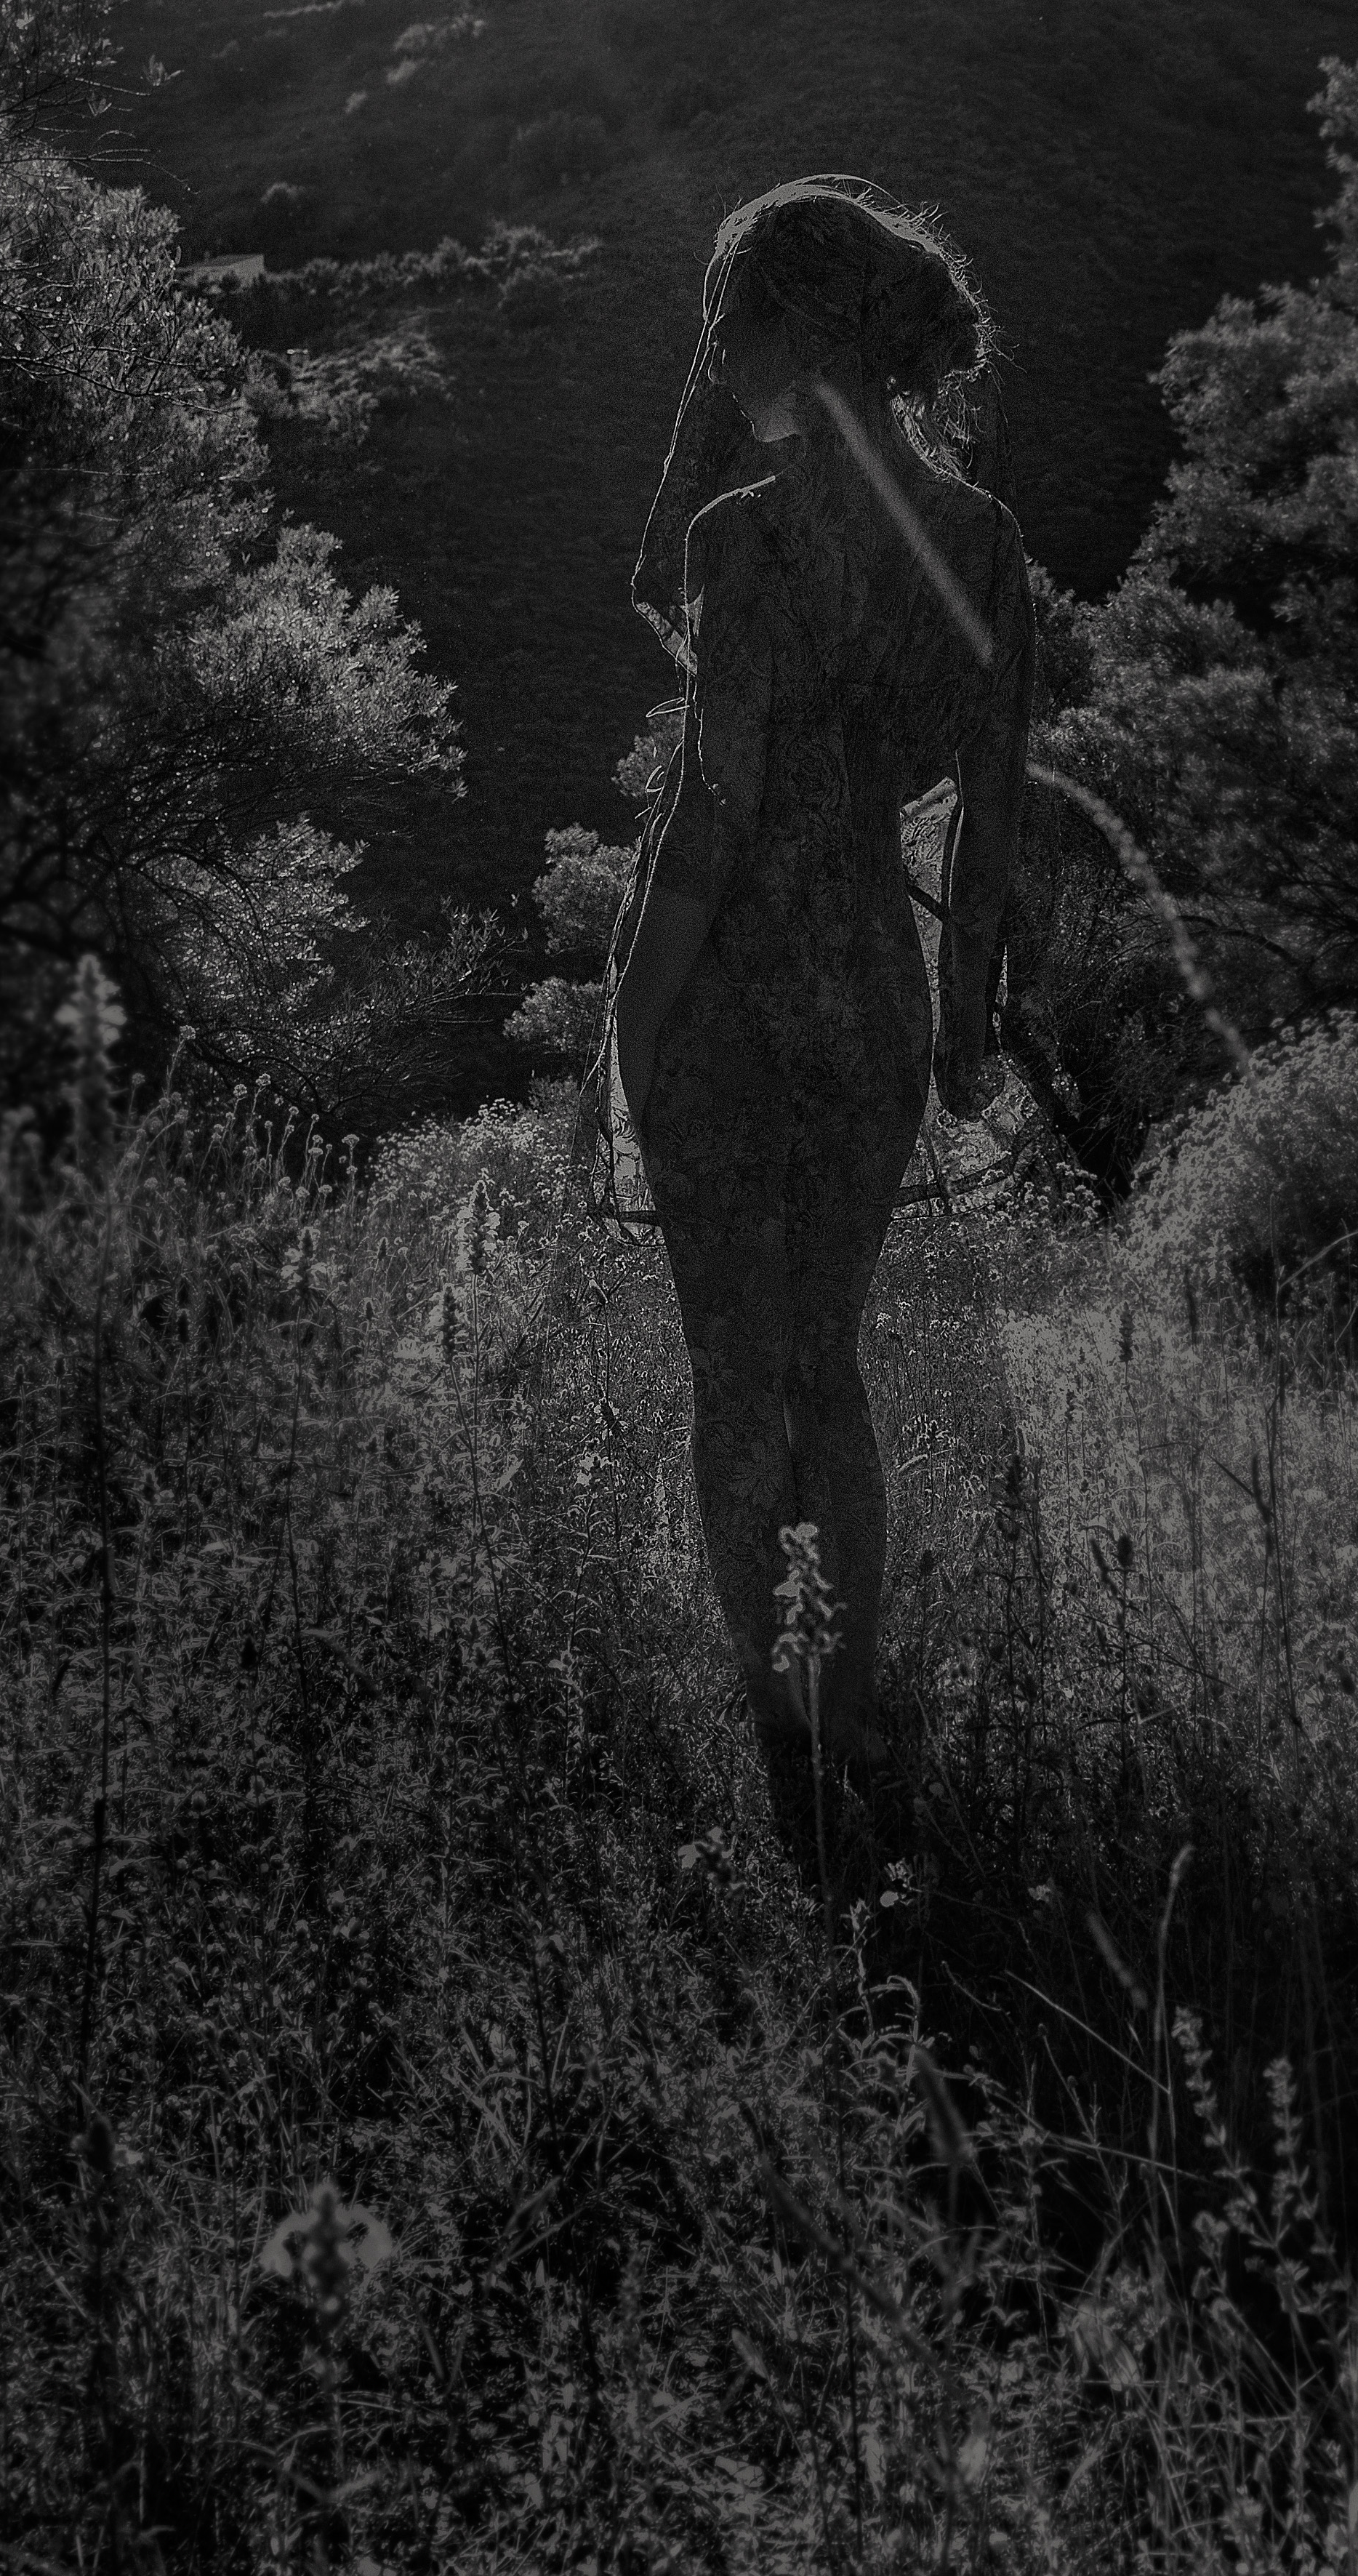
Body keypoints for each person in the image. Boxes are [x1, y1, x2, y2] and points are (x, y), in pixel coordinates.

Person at [608, 177, 1034, 1818]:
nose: (714, 355)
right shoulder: (985, 545)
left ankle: (781, 1736)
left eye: (728, 317)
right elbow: (990, 821)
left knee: (736, 1375)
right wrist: (964, 1026)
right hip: (872, 1003)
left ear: (797, 323)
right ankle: (840, 1716)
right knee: (828, 1368)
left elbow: (711, 818)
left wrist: (631, 1027)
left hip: (727, 998)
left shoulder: (740, 537)